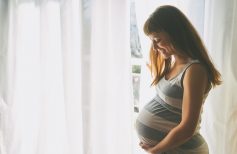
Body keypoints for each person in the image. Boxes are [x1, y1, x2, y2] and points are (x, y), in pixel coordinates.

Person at [135, 5, 222, 154]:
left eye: (157, 40)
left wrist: (156, 150)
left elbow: (188, 127)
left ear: (174, 34)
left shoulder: (195, 70)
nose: (154, 47)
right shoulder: (174, 63)